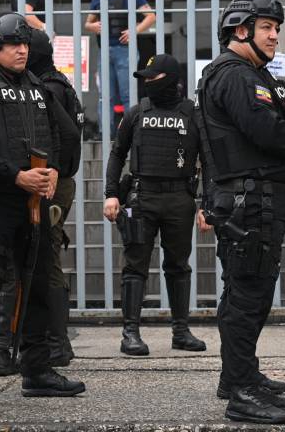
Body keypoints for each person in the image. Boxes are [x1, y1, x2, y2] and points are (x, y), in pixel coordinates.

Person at [0, 12, 85, 407]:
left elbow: (59, 135)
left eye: (25, 43)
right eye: (13, 44)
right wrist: (16, 177)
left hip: (35, 203)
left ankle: (37, 370)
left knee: (39, 286)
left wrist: (54, 170)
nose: (22, 49)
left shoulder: (36, 86)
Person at [198, 0, 285, 424]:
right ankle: (241, 393)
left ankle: (239, 377)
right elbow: (266, 129)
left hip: (251, 201)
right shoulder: (236, 75)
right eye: (267, 28)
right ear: (240, 29)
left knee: (245, 293)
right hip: (251, 205)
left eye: (276, 29)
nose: (275, 37)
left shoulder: (242, 74)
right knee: (248, 296)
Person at [102, 53, 207, 358]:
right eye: (145, 79)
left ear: (172, 79)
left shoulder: (193, 114)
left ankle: (181, 331)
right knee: (135, 267)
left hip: (179, 199)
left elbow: (209, 161)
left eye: (153, 78)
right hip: (142, 197)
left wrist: (207, 205)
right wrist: (111, 194)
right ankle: (130, 333)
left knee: (178, 267)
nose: (148, 83)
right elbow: (116, 154)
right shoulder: (136, 113)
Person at [26, 30, 83, 366]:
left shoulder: (47, 88)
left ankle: (57, 342)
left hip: (52, 182)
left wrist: (51, 171)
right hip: (56, 180)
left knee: (47, 257)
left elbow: (61, 135)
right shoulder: (59, 83)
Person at [85, 0, 155, 138]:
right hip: (105, 50)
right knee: (105, 96)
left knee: (127, 94)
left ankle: (131, 132)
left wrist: (135, 30)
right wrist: (93, 26)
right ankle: (104, 133)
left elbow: (151, 16)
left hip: (125, 51)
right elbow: (88, 23)